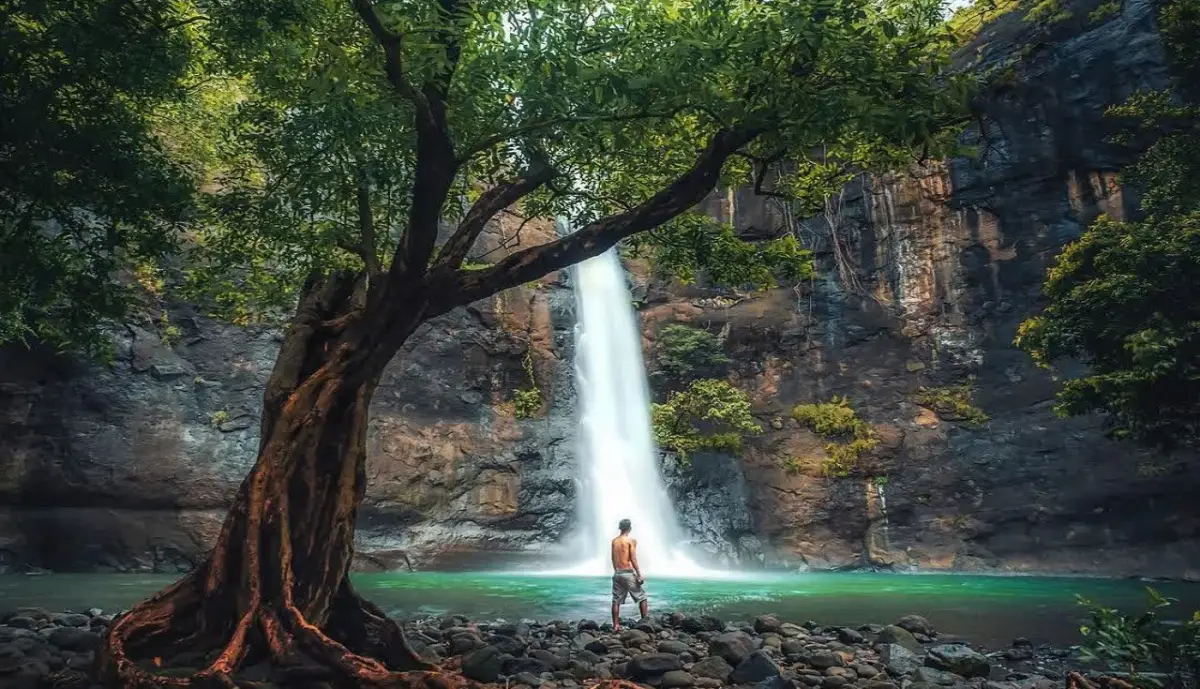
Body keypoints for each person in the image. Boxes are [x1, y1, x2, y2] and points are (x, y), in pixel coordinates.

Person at [610, 518, 647, 630]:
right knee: (642, 597)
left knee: (616, 600)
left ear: (620, 528)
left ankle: (616, 625)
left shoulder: (614, 541)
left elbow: (613, 559)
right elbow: (633, 558)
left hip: (617, 573)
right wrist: (639, 574)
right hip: (627, 572)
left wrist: (616, 571)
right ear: (630, 528)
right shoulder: (631, 541)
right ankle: (645, 621)